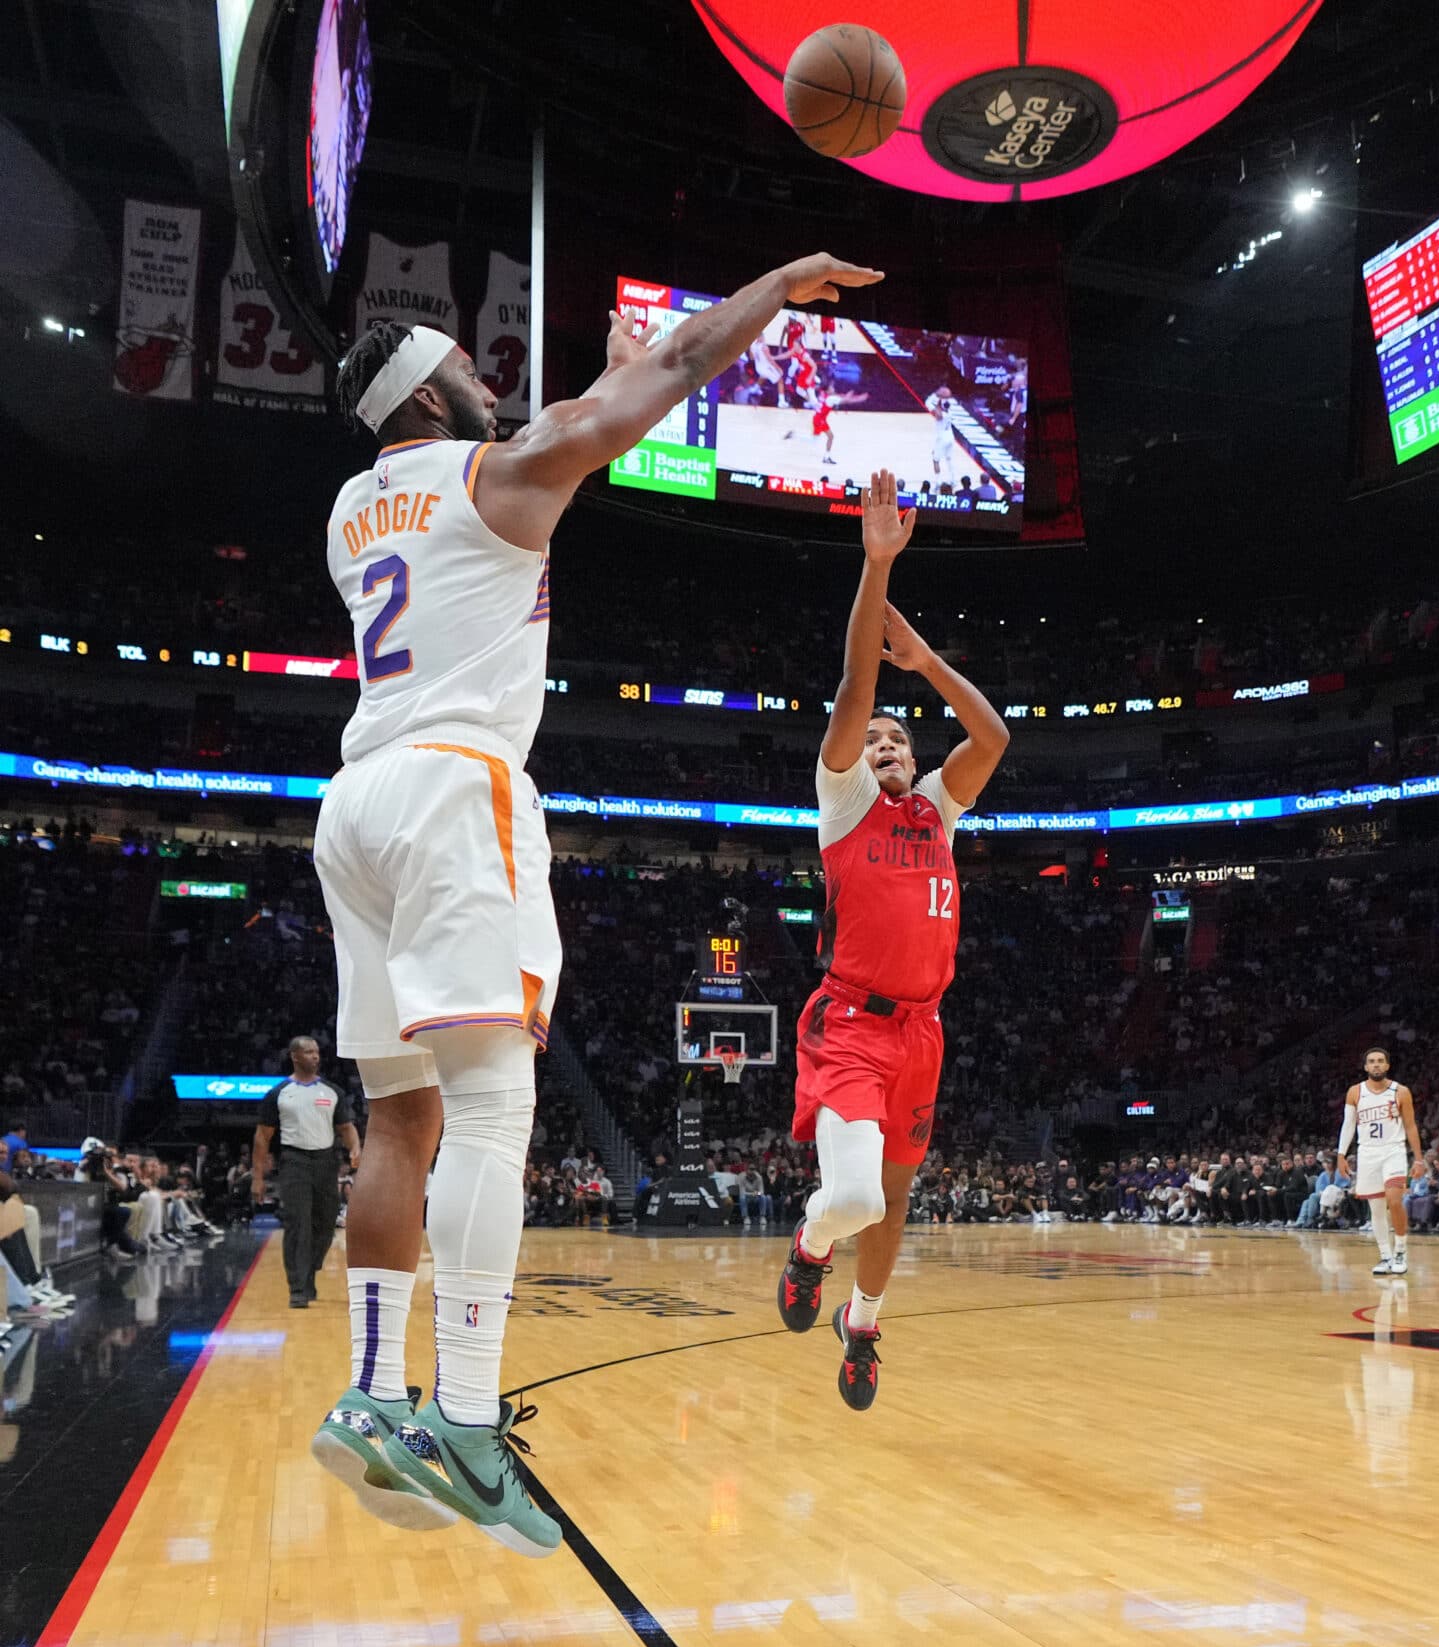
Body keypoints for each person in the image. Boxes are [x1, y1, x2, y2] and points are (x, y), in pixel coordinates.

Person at [309, 249, 883, 1555]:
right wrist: (771, 287)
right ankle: (459, 1418)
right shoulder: (497, 476)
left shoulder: (350, 511)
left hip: (355, 802)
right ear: (426, 398)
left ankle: (373, 1391)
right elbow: (665, 380)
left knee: (394, 1119)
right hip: (458, 790)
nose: (488, 377)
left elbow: (544, 418)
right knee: (493, 1106)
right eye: (465, 366)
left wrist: (593, 383)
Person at [773, 495, 1009, 1414]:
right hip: (851, 1025)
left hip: (923, 1034)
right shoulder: (845, 806)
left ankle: (862, 1327)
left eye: (898, 741)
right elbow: (851, 695)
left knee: (894, 1199)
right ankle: (807, 1245)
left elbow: (992, 737)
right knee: (857, 1197)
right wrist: (878, 568)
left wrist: (927, 662)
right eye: (876, 741)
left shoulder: (936, 812)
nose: (885, 744)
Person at [249, 1036, 359, 1309]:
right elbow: (262, 1137)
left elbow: (346, 1128)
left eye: (317, 1052)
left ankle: (308, 1272)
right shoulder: (279, 1093)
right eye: (308, 1052)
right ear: (294, 1056)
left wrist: (356, 1148)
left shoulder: (332, 1091)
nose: (315, 1057)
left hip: (326, 1161)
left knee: (325, 1223)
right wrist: (257, 1177)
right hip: (294, 1160)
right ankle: (297, 1288)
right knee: (298, 1224)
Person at [1338, 1048, 1422, 1276]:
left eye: (1380, 1061)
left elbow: (1411, 1126)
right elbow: (1348, 1125)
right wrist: (1341, 1154)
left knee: (1394, 1201)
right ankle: (1385, 1256)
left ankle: (1401, 1251)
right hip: (1367, 1153)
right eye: (1371, 1062)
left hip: (1393, 1150)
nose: (1376, 1065)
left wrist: (1419, 1159)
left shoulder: (1400, 1091)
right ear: (1365, 1067)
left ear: (1387, 1066)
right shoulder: (1355, 1092)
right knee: (1375, 1208)